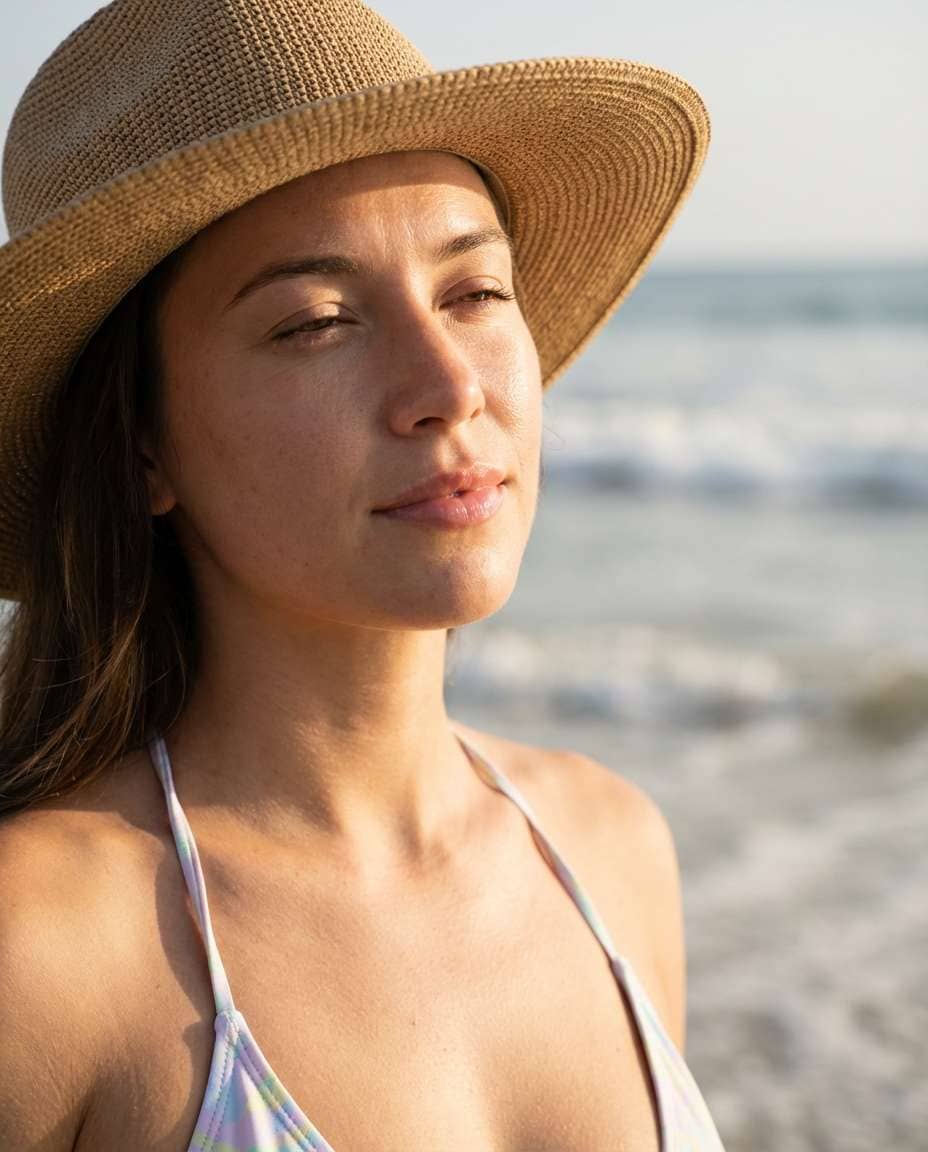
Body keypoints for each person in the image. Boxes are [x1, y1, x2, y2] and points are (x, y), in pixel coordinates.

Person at [0, 1, 722, 1149]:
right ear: (143, 444)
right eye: (317, 322)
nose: (447, 383)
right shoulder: (45, 947)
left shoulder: (611, 849)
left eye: (475, 293)